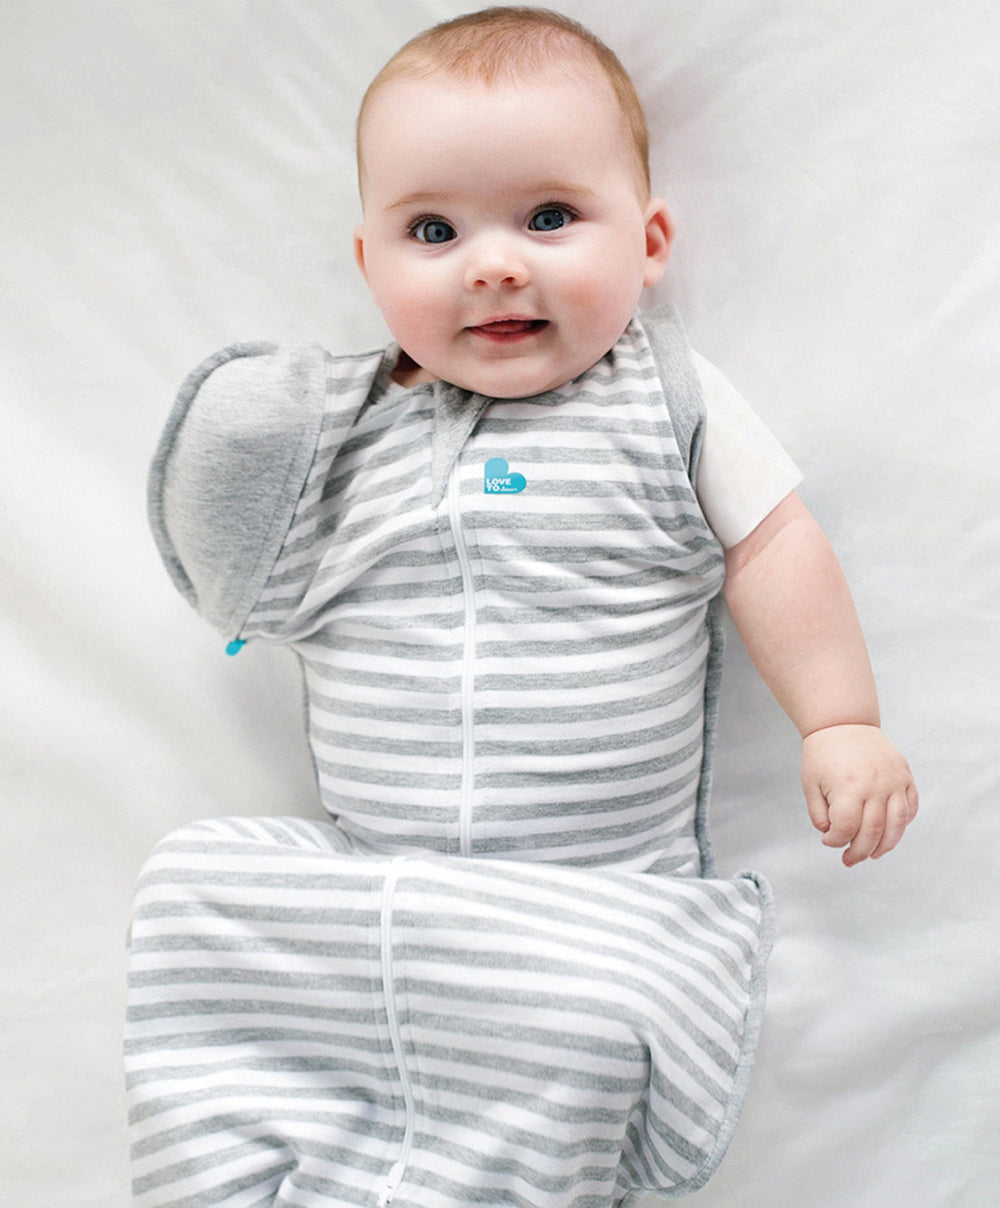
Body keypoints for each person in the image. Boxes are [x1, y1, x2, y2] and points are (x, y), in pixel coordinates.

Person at [126, 8, 918, 1206]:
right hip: (380, 885)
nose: (493, 264)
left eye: (548, 217)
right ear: (368, 265)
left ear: (648, 242)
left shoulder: (668, 399)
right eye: (432, 231)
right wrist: (257, 442)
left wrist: (840, 717)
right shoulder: (342, 437)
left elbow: (772, 543)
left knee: (575, 1022)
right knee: (194, 883)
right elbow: (243, 561)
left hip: (589, 900)